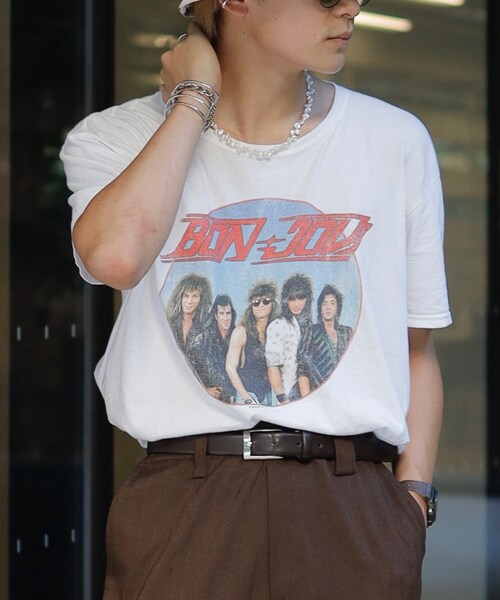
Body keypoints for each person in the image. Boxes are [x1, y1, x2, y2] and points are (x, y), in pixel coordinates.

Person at [60, 0, 452, 596]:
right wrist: (193, 100)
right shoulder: (118, 137)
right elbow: (114, 258)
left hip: (353, 503)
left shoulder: (393, 141)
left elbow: (416, 348)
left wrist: (412, 501)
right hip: (184, 499)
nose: (351, 7)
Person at [225, 281, 278, 405]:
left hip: (269, 396)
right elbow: (230, 367)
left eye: (266, 301)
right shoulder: (241, 332)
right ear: (251, 307)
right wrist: (246, 397)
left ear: (273, 304)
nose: (261, 305)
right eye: (256, 302)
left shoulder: (276, 331)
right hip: (246, 395)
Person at [265, 273, 313, 403]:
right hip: (287, 395)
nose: (297, 304)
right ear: (285, 301)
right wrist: (282, 399)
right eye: (292, 299)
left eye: (301, 298)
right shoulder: (278, 325)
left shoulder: (308, 326)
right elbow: (272, 366)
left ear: (307, 299)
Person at [297, 283, 352, 394]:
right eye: (324, 303)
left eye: (332, 303)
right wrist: (307, 399)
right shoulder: (311, 331)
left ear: (337, 308)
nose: (328, 307)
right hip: (318, 393)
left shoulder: (347, 332)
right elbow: (302, 370)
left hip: (344, 392)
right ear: (320, 308)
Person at [186, 293, 237, 401]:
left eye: (228, 313)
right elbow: (187, 370)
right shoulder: (202, 341)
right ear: (216, 316)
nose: (225, 318)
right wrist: (205, 389)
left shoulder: (237, 336)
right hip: (210, 400)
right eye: (221, 313)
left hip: (237, 399)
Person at [166, 272, 212, 352]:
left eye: (195, 296)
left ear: (202, 299)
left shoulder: (207, 325)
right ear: (179, 297)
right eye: (186, 296)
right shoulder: (169, 322)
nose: (189, 301)